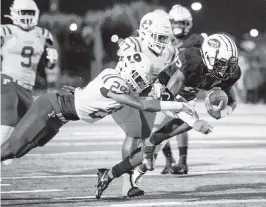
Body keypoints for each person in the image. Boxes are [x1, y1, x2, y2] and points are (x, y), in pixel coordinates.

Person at [95, 33, 241, 199]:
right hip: (162, 92)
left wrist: (220, 113)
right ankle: (144, 152)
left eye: (229, 64)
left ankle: (109, 174)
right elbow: (170, 95)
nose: (226, 69)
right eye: (222, 64)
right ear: (208, 55)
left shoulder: (230, 73)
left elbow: (233, 101)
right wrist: (193, 120)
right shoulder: (192, 61)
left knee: (152, 152)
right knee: (179, 128)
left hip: (185, 100)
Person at [1, 52, 197, 162]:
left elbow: (92, 94)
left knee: (19, 151)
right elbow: (142, 104)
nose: (141, 83)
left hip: (58, 117)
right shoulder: (116, 82)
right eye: (139, 78)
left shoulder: (116, 80)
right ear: (129, 70)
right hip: (50, 109)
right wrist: (179, 105)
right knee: (10, 148)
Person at [111, 11, 180, 197]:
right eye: (158, 36)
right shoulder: (134, 44)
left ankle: (132, 177)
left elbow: (168, 75)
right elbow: (124, 65)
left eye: (166, 37)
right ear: (145, 32)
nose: (162, 41)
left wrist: (160, 85)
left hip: (147, 95)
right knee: (133, 134)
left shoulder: (171, 51)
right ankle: (127, 182)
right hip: (126, 92)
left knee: (149, 137)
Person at [1, 0, 58, 165]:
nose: (27, 16)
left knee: (33, 129)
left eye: (30, 13)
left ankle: (6, 154)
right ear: (14, 13)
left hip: (27, 88)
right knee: (7, 120)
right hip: (7, 80)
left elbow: (48, 65)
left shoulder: (43, 34)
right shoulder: (5, 30)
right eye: (23, 12)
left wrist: (52, 60)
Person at [161, 4, 205, 175]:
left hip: (185, 86)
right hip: (164, 83)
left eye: (184, 22)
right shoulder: (164, 38)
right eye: (176, 22)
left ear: (189, 23)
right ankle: (168, 159)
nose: (180, 25)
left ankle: (182, 161)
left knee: (182, 121)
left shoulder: (196, 40)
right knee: (160, 122)